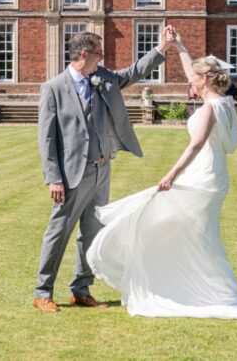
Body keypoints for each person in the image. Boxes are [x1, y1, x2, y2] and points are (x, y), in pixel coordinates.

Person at [86, 29, 237, 319]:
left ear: (204, 80)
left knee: (169, 225)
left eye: (194, 78)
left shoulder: (209, 107)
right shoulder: (225, 102)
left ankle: (191, 290)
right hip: (214, 177)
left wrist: (170, 176)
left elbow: (195, 146)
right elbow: (191, 70)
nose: (188, 80)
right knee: (195, 235)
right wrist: (179, 45)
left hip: (201, 179)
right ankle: (193, 287)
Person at [32, 28, 169, 312]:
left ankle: (81, 290)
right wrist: (53, 178)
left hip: (101, 170)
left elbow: (134, 72)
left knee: (92, 234)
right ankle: (43, 292)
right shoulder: (53, 88)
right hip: (71, 175)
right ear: (84, 55)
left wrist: (162, 47)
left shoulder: (104, 78)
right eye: (99, 53)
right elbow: (47, 139)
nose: (103, 57)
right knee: (58, 233)